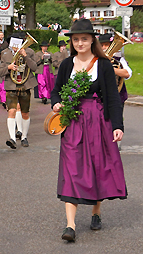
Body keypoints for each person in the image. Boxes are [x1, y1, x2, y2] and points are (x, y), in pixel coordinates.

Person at [51, 19, 125, 242]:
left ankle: (96, 211)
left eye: (84, 39)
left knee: (97, 166)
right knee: (71, 167)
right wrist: (56, 103)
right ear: (72, 42)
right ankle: (70, 225)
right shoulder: (66, 65)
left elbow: (112, 98)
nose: (80, 43)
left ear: (92, 40)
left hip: (98, 121)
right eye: (76, 39)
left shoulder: (102, 65)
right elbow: (55, 92)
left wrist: (117, 125)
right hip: (72, 121)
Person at [0, 33, 39, 149]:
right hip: (11, 85)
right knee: (11, 111)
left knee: (25, 112)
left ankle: (24, 136)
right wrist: (8, 68)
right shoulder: (5, 53)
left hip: (25, 84)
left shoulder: (29, 52)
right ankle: (12, 138)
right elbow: (0, 72)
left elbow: (34, 67)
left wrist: (25, 56)